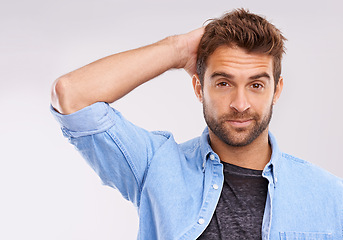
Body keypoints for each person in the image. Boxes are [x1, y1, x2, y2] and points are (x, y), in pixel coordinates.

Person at [50, 9, 342, 240]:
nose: (240, 103)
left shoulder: (331, 197)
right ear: (199, 88)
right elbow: (72, 94)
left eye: (255, 85)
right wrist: (177, 49)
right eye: (224, 83)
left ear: (276, 91)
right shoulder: (155, 167)